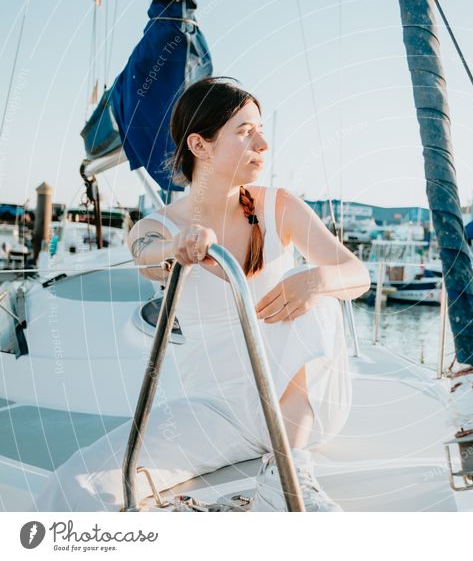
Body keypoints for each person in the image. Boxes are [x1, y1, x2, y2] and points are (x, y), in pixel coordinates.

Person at [32, 77, 370, 512]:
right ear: (200, 144)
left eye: (261, 130)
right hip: (217, 409)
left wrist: (314, 280)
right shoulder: (155, 227)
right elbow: (148, 254)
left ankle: (287, 474)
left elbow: (355, 273)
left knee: (321, 293)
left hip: (301, 407)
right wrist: (179, 247)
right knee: (81, 480)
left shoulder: (277, 206)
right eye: (246, 132)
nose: (263, 143)